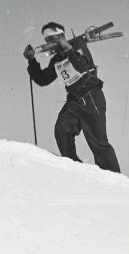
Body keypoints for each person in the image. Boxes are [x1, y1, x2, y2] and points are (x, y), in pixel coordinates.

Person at [24, 22, 121, 172]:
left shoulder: (78, 45)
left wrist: (69, 50)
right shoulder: (57, 59)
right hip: (74, 100)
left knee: (98, 143)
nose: (49, 42)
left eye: (53, 38)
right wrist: (31, 61)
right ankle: (73, 169)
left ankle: (113, 178)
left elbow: (82, 66)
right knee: (62, 130)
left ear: (61, 36)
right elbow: (43, 80)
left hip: (91, 97)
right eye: (47, 40)